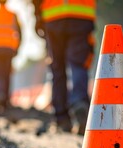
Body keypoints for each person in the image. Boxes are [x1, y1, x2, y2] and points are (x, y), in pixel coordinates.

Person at [32, 0, 95, 135]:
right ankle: (79, 102)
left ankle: (62, 118)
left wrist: (37, 16)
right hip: (81, 13)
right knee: (78, 64)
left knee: (57, 69)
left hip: (53, 15)